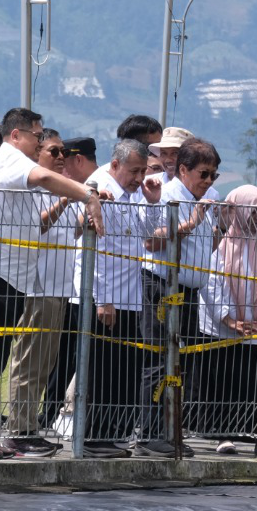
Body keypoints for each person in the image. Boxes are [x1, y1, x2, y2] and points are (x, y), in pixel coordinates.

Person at [0, 107, 104, 460]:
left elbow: (33, 226)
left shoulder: (14, 165)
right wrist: (88, 195)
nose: (41, 143)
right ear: (16, 135)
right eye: (38, 136)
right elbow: (45, 178)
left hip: (12, 275)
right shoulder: (12, 158)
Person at [134, 136, 220, 457]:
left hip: (189, 291)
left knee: (178, 363)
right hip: (162, 287)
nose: (209, 181)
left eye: (214, 175)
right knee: (159, 359)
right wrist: (191, 222)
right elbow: (151, 240)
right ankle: (150, 433)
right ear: (184, 170)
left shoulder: (206, 199)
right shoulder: (166, 195)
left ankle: (171, 431)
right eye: (204, 174)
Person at [76, 138, 152, 453]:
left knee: (124, 370)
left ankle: (113, 433)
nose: (139, 178)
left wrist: (153, 200)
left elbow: (147, 238)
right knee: (103, 371)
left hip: (129, 297)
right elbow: (96, 253)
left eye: (143, 171)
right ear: (116, 165)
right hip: (107, 300)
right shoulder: (99, 191)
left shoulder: (133, 195)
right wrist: (103, 299)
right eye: (134, 171)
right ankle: (94, 437)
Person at [4, 129, 74, 453]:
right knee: (28, 362)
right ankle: (19, 428)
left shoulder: (63, 190)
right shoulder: (38, 190)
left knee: (45, 364)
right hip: (38, 286)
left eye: (65, 153)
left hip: (60, 288)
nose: (61, 158)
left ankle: (30, 425)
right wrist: (64, 200)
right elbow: (38, 226)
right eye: (54, 152)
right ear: (38, 154)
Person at [187, 185, 257, 453]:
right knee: (220, 379)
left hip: (255, 326)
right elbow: (212, 283)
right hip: (221, 326)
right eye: (254, 211)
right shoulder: (223, 244)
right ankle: (221, 434)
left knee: (249, 378)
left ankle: (246, 431)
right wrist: (229, 319)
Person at [42, 136, 97, 434]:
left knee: (70, 358)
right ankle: (47, 414)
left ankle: (53, 414)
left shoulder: (91, 189)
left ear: (77, 160)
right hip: (58, 287)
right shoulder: (60, 190)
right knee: (58, 358)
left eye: (65, 156)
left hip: (76, 289)